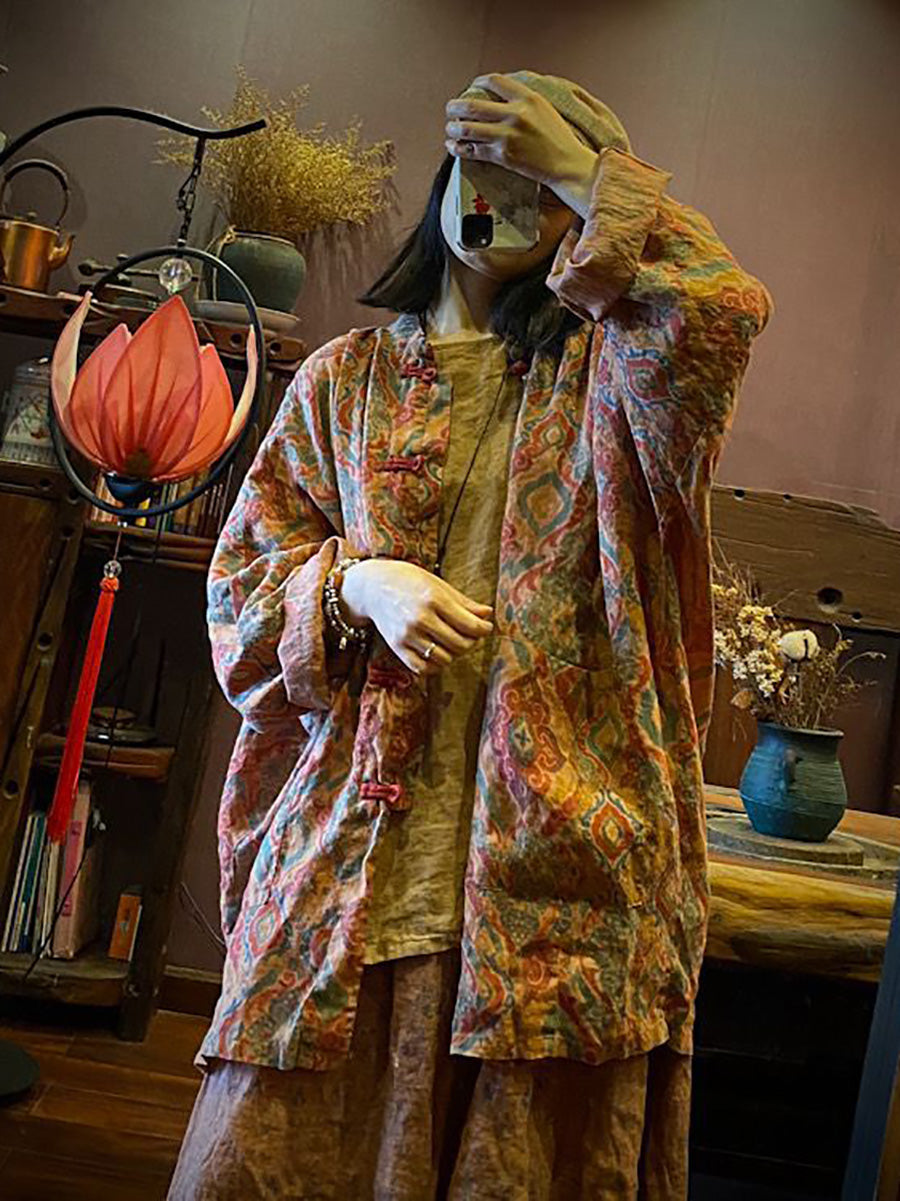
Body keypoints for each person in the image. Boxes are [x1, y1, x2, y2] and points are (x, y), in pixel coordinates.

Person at [167, 70, 772, 1200]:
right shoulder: (344, 382)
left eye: (539, 184)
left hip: (559, 868)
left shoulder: (621, 384)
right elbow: (240, 596)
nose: (503, 201)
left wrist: (586, 167)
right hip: (356, 854)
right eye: (485, 169)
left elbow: (721, 309)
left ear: (585, 217)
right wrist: (356, 585)